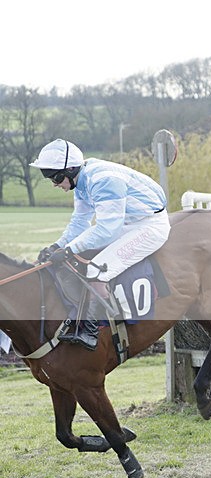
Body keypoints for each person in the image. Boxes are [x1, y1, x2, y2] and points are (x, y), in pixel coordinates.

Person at [31, 139, 170, 351]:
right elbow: (80, 222)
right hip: (129, 223)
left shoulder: (103, 180)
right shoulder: (82, 179)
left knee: (96, 270)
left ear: (70, 168)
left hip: (149, 227)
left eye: (56, 177)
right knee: (78, 259)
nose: (55, 184)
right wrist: (57, 246)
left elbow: (107, 230)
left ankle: (91, 331)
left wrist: (69, 249)